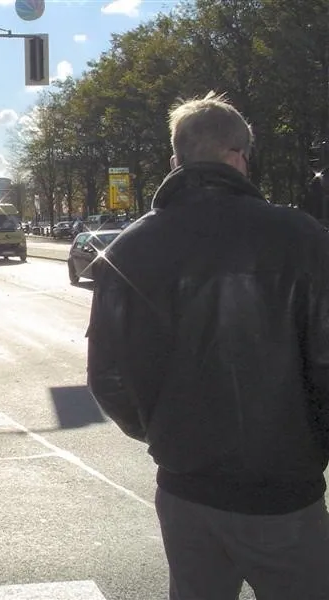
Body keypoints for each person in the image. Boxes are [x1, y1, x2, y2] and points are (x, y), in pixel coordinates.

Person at [86, 91, 329, 599]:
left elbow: (107, 377)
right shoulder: (302, 237)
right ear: (241, 156)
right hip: (285, 494)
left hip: (186, 490)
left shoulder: (128, 249)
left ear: (175, 160)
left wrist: (164, 434)